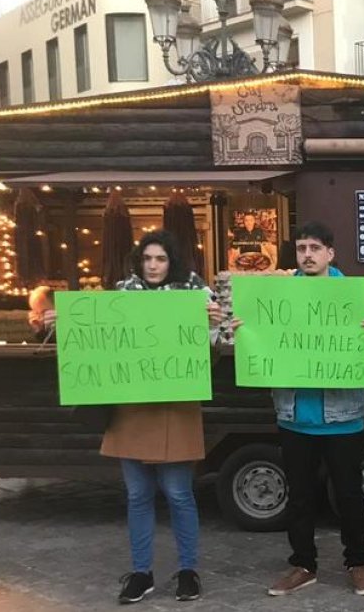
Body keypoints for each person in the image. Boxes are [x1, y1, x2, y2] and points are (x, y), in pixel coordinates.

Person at [82, 230, 224, 604]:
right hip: (132, 410)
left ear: (171, 261)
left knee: (179, 494)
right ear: (138, 261)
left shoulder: (196, 296)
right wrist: (66, 322)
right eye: (147, 258)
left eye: (160, 258)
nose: (153, 265)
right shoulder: (120, 297)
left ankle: (188, 571)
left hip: (176, 408)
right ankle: (141, 573)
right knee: (137, 495)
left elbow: (209, 359)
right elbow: (102, 348)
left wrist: (211, 327)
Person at [263, 221, 364, 598]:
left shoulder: (351, 296)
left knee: (349, 496)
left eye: (315, 248)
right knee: (299, 497)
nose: (307, 255)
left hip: (343, 418)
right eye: (302, 248)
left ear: (330, 254)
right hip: (294, 416)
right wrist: (245, 331)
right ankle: (303, 565)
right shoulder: (279, 295)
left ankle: (358, 562)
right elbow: (262, 345)